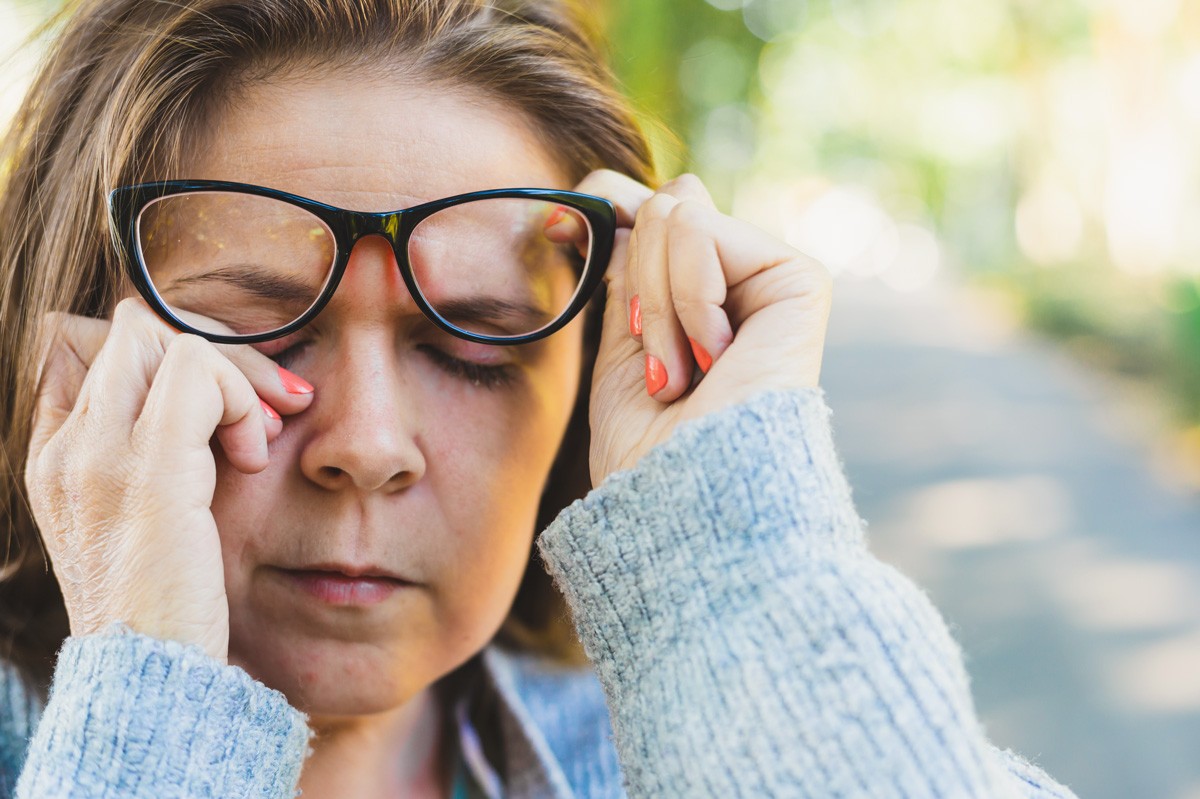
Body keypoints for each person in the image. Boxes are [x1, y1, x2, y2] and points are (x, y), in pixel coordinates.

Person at [0, 1, 1077, 797]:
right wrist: (148, 701)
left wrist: (733, 559)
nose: (367, 443)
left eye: (475, 344)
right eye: (254, 326)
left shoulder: (692, 742)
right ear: (66, 353)